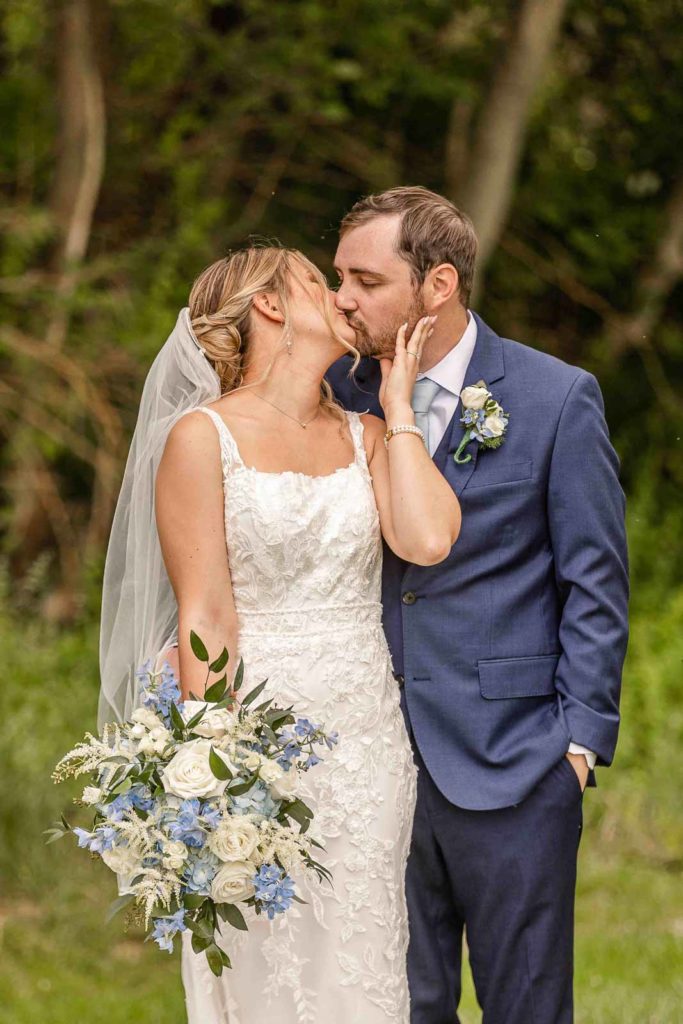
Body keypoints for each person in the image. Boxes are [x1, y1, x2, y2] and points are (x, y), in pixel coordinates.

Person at [100, 243, 460, 1023]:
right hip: (262, 743)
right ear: (269, 306)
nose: (341, 293)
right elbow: (207, 616)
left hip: (367, 747)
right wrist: (214, 770)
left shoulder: (366, 435)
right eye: (315, 280)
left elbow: (428, 541)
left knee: (364, 968)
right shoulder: (201, 437)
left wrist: (399, 411)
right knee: (274, 968)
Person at [327, 186, 630, 1024]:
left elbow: (593, 584)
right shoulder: (333, 395)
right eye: (336, 276)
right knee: (401, 1005)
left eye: (364, 279)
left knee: (526, 1006)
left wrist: (577, 744)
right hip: (370, 763)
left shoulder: (553, 397)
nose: (341, 299)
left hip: (516, 760)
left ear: (438, 285)